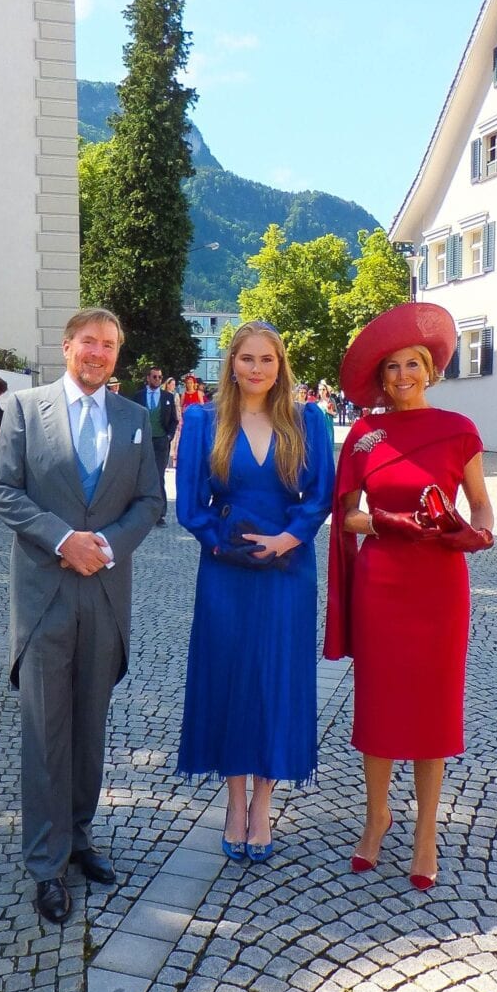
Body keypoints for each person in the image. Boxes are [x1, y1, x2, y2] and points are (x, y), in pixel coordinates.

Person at [0, 307, 161, 925]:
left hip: (107, 593)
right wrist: (65, 539)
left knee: (90, 728)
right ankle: (46, 864)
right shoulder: (24, 410)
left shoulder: (135, 418)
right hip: (44, 595)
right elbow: (5, 491)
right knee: (45, 734)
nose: (98, 353)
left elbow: (150, 499)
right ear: (67, 347)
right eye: (88, 343)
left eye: (109, 346)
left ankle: (80, 838)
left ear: (117, 355)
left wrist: (108, 544)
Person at [324, 303, 494, 892]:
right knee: (378, 703)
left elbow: (480, 504)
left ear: (430, 368)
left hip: (440, 587)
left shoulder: (458, 429)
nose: (403, 377)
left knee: (432, 705)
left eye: (413, 364)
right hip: (383, 584)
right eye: (392, 367)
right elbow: (345, 519)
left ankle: (426, 830)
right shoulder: (365, 437)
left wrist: (477, 533)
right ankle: (376, 816)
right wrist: (383, 522)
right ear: (380, 377)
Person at [176, 321, 334, 863]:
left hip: (288, 570)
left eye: (267, 359)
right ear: (232, 363)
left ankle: (263, 804)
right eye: (247, 359)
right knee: (228, 681)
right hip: (227, 569)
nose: (257, 369)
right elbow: (191, 503)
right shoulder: (203, 421)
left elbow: (321, 495)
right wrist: (223, 545)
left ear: (280, 364)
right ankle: (234, 800)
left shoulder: (307, 419)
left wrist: (287, 539)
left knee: (274, 682)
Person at [132, 366, 178, 526]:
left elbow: (174, 420)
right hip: (143, 442)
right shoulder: (138, 397)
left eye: (160, 377)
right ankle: (139, 511)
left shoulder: (167, 397)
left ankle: (160, 513)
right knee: (140, 476)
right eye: (155, 377)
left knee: (158, 477)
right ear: (148, 378)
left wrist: (169, 436)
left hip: (160, 441)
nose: (158, 380)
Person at [164, 377, 182, 467]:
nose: (173, 386)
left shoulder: (176, 395)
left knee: (174, 440)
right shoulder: (163, 394)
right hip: (165, 419)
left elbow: (178, 408)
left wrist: (179, 419)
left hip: (174, 419)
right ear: (167, 384)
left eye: (174, 385)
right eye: (172, 384)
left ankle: (172, 461)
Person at [317, 380, 337, 452]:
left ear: (326, 391)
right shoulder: (317, 402)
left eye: (323, 389)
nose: (321, 391)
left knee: (329, 445)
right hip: (319, 426)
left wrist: (330, 412)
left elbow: (336, 414)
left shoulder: (331, 400)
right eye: (320, 389)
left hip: (328, 425)